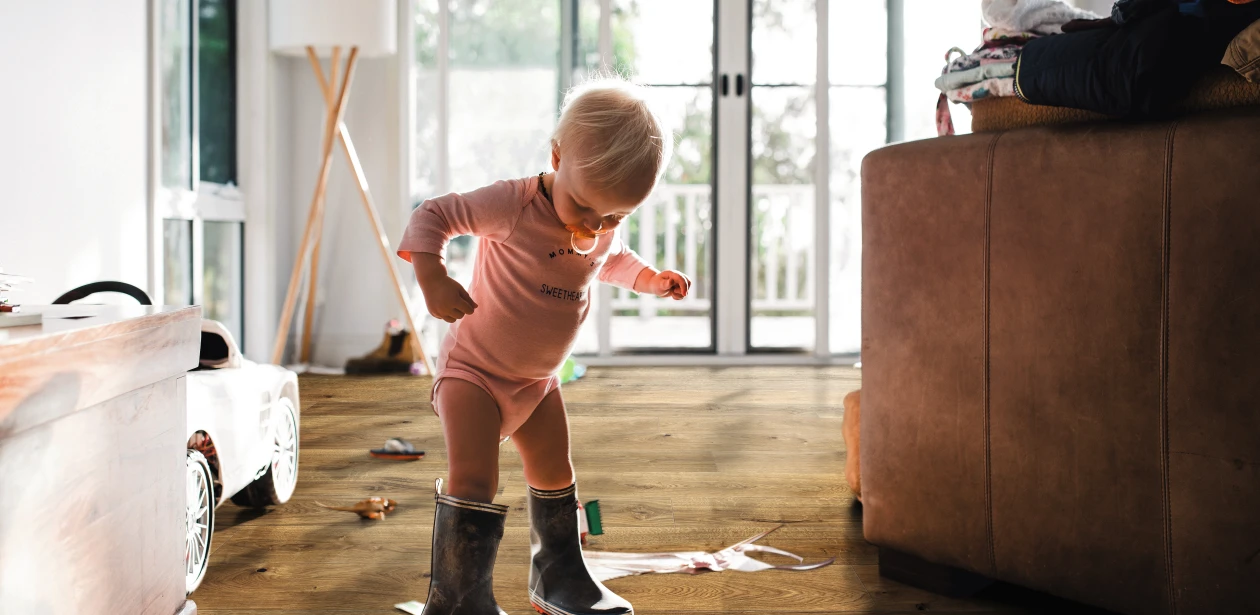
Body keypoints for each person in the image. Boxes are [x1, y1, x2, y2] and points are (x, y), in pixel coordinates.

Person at [398, 78, 691, 615]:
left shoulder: (599, 226)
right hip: (475, 374)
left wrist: (650, 279)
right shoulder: (512, 204)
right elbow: (432, 215)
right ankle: (458, 599)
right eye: (584, 206)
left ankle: (559, 575)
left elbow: (613, 259)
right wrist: (434, 279)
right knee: (476, 478)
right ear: (556, 156)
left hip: (535, 383)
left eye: (613, 217)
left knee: (556, 471)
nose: (594, 226)